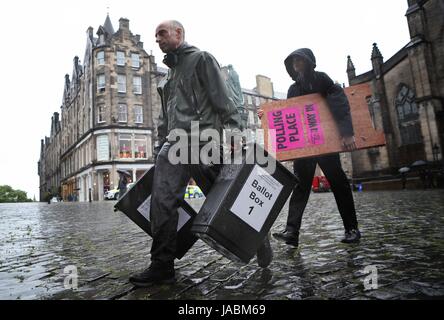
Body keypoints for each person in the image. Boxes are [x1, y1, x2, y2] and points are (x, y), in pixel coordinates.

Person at [129, 21, 273, 288]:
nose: (158, 39)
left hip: (203, 140)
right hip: (175, 145)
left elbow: (224, 101)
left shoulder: (202, 59)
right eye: (156, 36)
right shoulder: (167, 78)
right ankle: (162, 266)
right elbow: (165, 117)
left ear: (179, 34)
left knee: (226, 202)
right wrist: (162, 143)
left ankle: (259, 237)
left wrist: (233, 134)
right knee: (162, 202)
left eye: (162, 33)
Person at [258, 48, 361, 247]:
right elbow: (286, 118)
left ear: (308, 62)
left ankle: (352, 229)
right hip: (305, 147)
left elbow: (339, 101)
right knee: (300, 187)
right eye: (294, 62)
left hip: (325, 143)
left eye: (300, 61)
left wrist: (346, 133)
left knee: (338, 184)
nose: (297, 64)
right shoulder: (292, 89)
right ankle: (292, 232)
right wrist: (266, 118)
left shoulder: (322, 79)